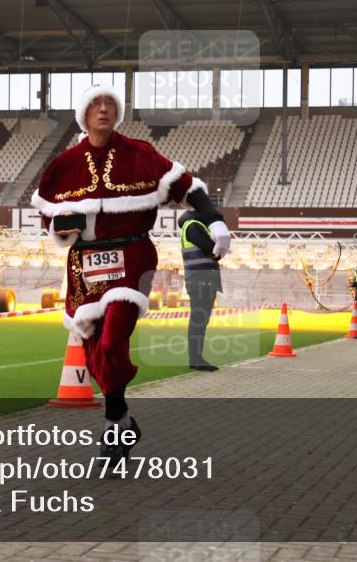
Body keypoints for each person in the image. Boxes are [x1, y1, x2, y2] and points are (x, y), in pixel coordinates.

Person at [32, 85, 230, 463]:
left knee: (112, 339)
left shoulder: (139, 154)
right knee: (93, 351)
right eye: (95, 104)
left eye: (110, 104)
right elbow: (49, 214)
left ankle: (111, 421)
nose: (103, 109)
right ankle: (121, 421)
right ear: (83, 113)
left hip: (132, 255)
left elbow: (186, 186)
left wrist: (216, 222)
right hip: (83, 267)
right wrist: (59, 229)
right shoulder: (66, 163)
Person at [179, 210, 224, 371]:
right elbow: (213, 250)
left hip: (201, 279)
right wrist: (218, 247)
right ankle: (196, 359)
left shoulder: (194, 226)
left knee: (200, 321)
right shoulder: (194, 226)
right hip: (201, 280)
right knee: (198, 321)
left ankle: (197, 358)